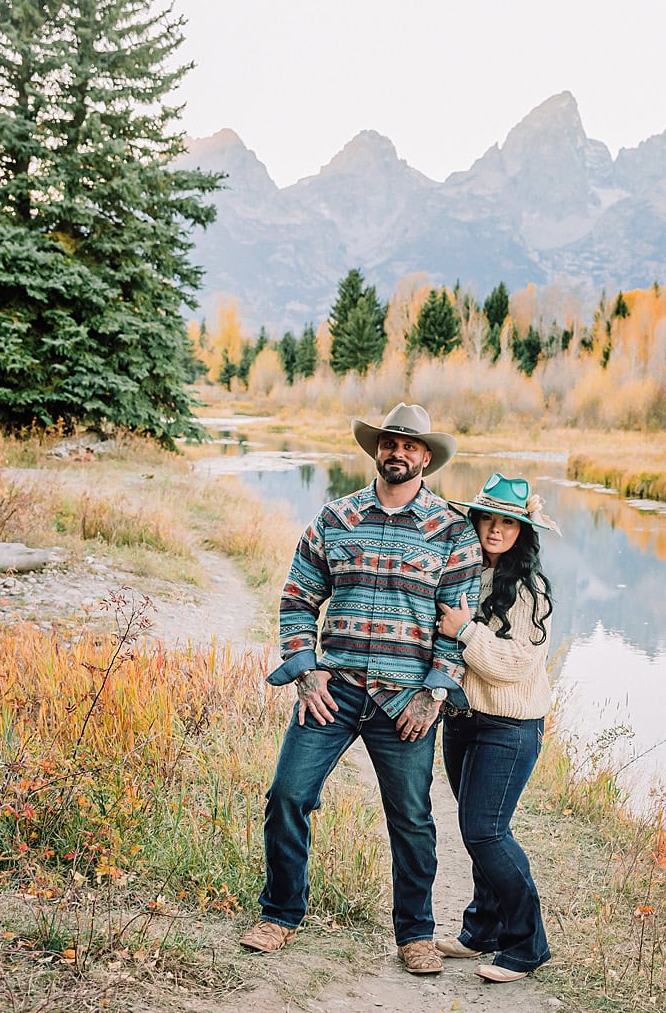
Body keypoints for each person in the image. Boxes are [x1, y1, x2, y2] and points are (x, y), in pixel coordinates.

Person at [240, 403, 483, 978]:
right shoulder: (336, 517)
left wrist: (435, 693)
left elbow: (458, 622)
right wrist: (305, 669)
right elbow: (298, 597)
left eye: (409, 445)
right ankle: (280, 913)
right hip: (335, 689)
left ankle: (415, 934)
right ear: (377, 450)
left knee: (412, 817)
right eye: (389, 442)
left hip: (405, 703)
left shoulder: (452, 531)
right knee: (288, 795)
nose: (397, 452)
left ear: (426, 457)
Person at [434, 472, 559, 983]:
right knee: (475, 829)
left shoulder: (528, 590)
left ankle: (526, 943)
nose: (494, 530)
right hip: (462, 720)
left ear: (521, 531)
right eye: (488, 518)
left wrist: (464, 630)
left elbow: (514, 665)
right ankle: (481, 930)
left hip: (510, 725)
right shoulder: (463, 571)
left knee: (486, 831)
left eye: (508, 522)